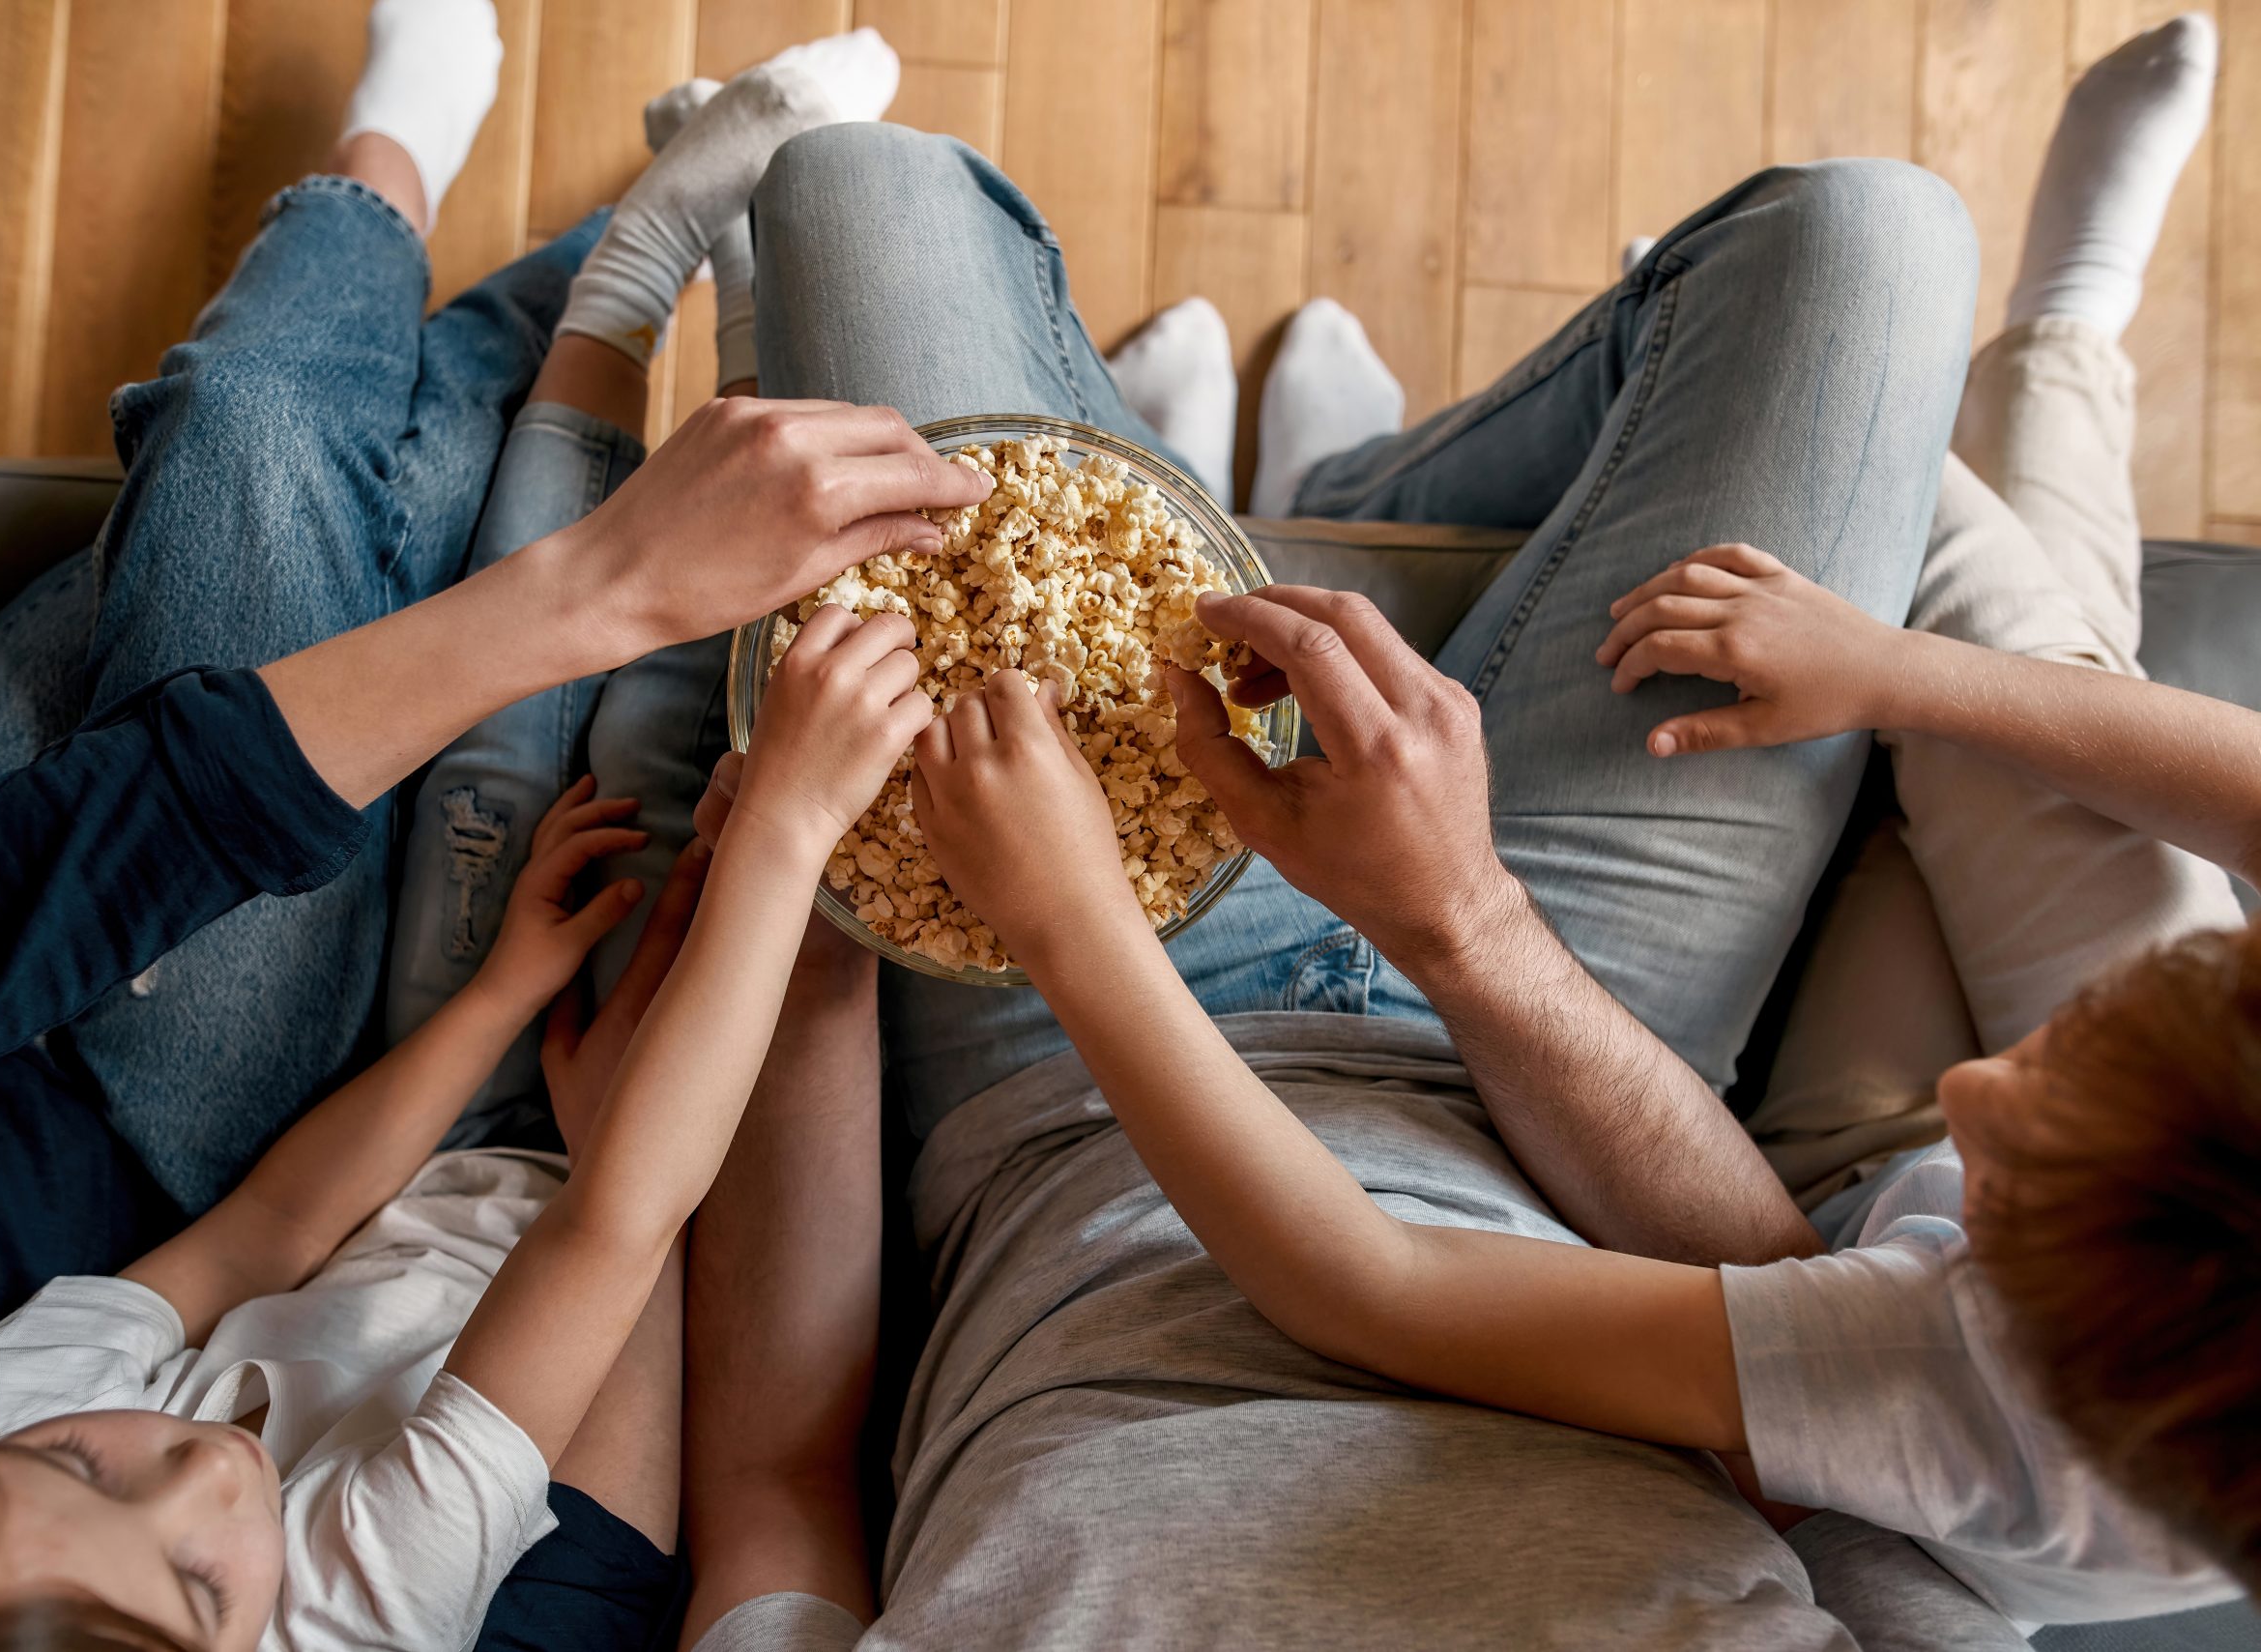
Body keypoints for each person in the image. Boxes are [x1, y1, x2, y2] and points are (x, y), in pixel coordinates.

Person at [580, 102, 2031, 1652]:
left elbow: (779, 1480)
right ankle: (1344, 487)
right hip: (1574, 1042)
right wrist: (1470, 925)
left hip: (1054, 1036)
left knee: (860, 185)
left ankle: (1261, 494)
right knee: (1868, 240)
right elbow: (1819, 1363)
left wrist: (824, 895)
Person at [988, 12, 2253, 1631]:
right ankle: (2062, 326)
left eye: (2015, 1175)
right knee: (2009, 652)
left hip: (1878, 1259)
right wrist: (1893, 673)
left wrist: (1074, 925)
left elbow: (1379, 1286)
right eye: (2078, 1056)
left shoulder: (1991, 1408)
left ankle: (1342, 491)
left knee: (1912, 545)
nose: (1974, 1089)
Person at [0, 1, 977, 1610]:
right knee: (677, 732)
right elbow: (619, 1222)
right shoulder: (369, 1589)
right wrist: (770, 837)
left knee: (282, 483)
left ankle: (596, 251)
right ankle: (689, 260)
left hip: (400, 1094)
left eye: (81, 1470)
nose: (193, 1471)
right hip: (587, 1150)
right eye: (199, 1583)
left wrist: (495, 997)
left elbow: (266, 1220)